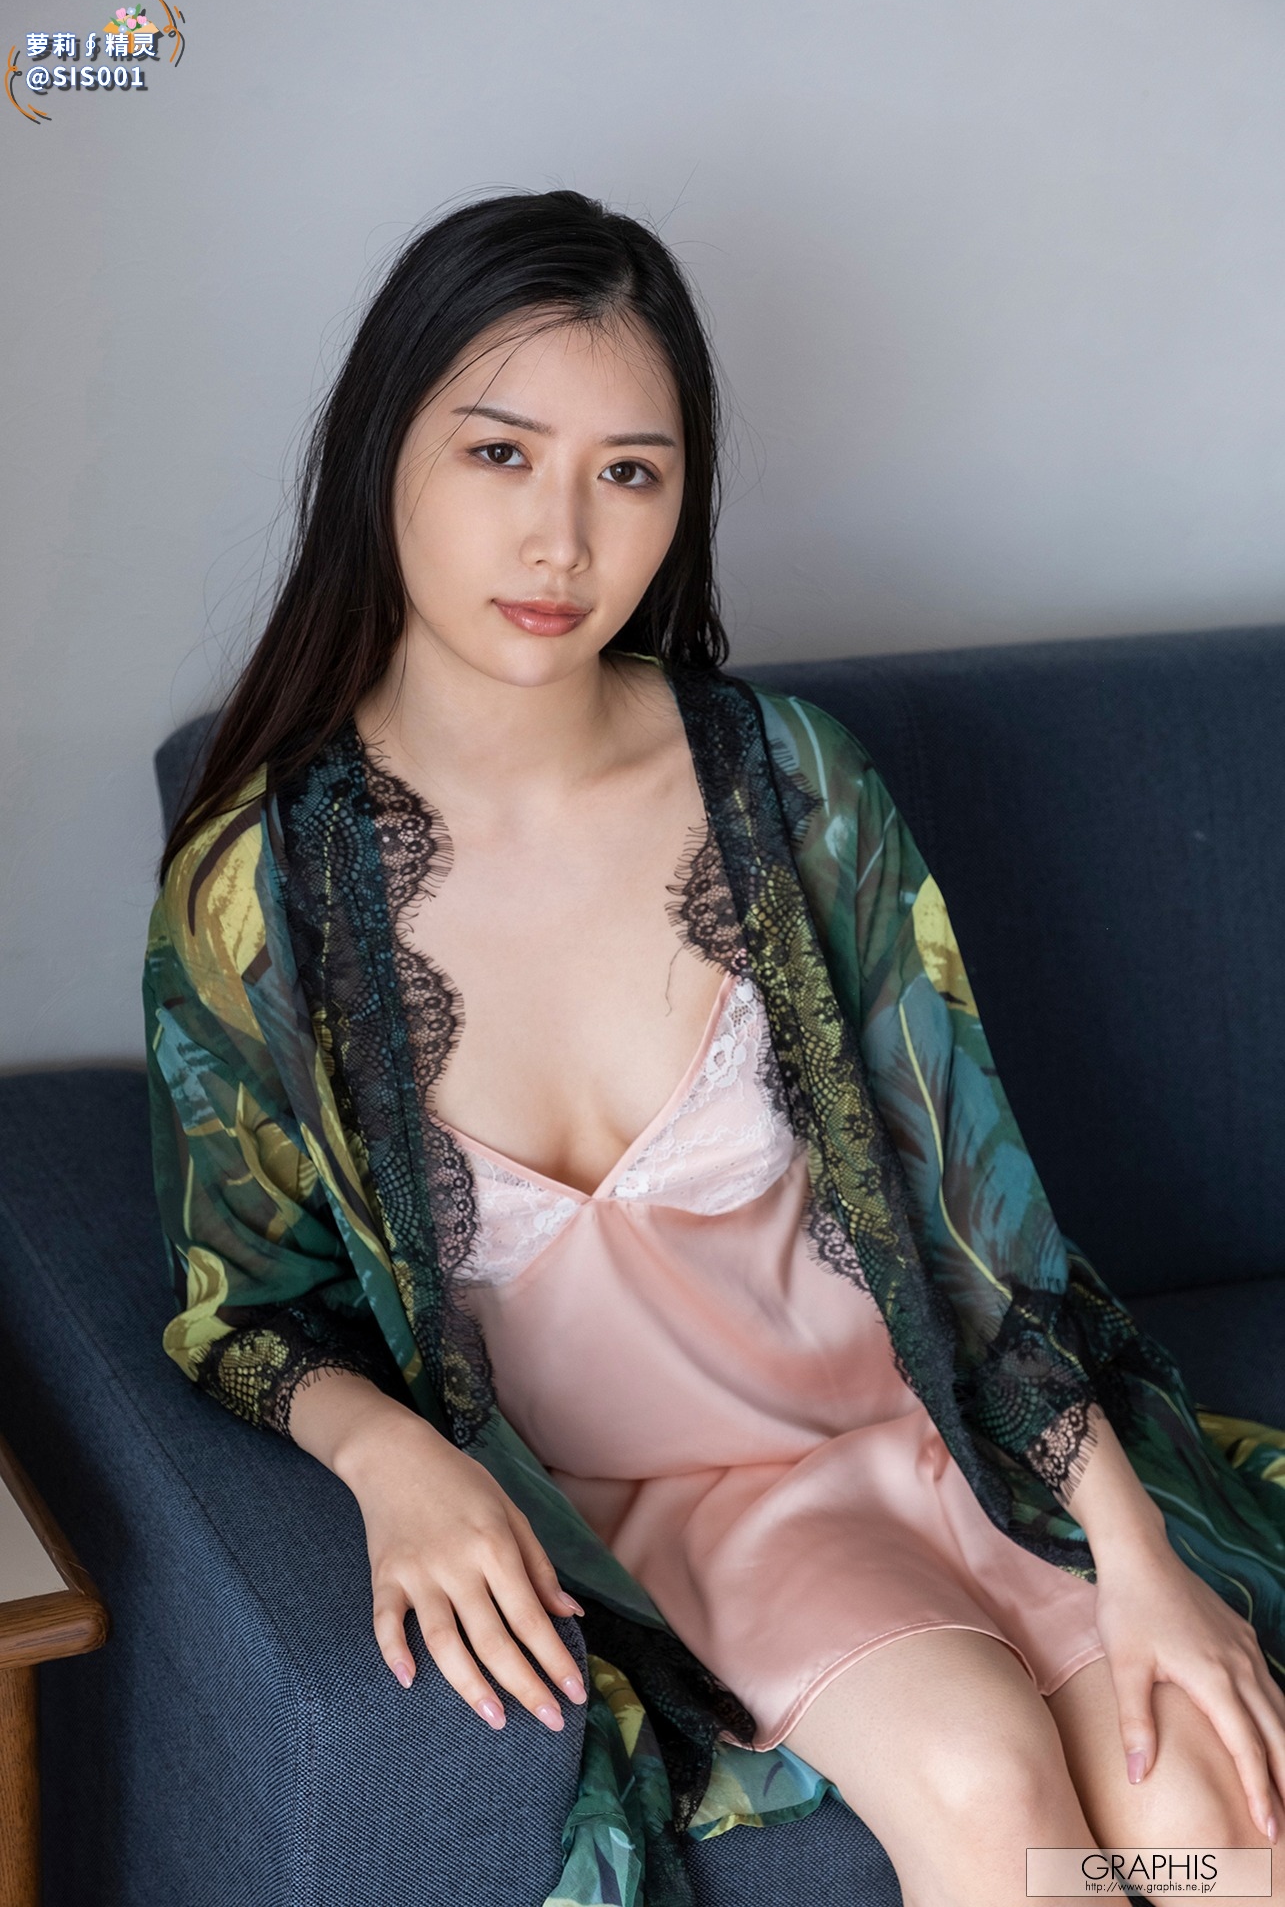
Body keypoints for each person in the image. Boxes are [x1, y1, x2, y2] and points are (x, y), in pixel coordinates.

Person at [144, 189, 1285, 1907]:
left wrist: (1138, 1559)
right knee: (994, 1805)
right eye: (500, 454)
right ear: (384, 457)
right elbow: (236, 1307)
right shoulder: (260, 889)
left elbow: (975, 1235)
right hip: (691, 1517)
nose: (560, 541)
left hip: (952, 1437)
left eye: (629, 472)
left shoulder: (790, 782)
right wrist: (388, 1455)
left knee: (1214, 1839)